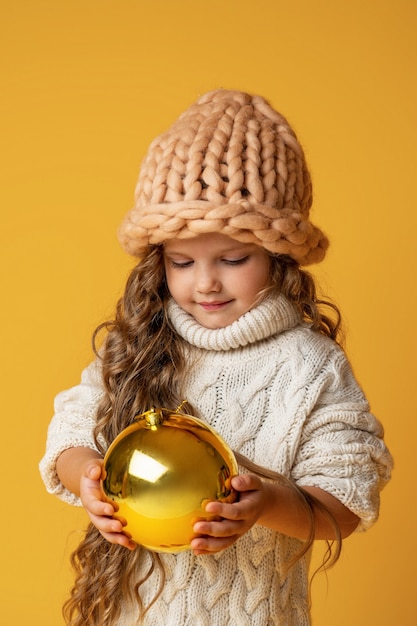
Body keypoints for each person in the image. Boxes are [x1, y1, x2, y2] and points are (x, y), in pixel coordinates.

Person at [39, 88, 392, 626]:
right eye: (181, 262)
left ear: (280, 259)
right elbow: (69, 433)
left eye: (232, 258)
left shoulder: (309, 366)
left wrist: (266, 505)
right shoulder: (137, 345)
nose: (205, 282)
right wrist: (90, 477)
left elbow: (345, 500)